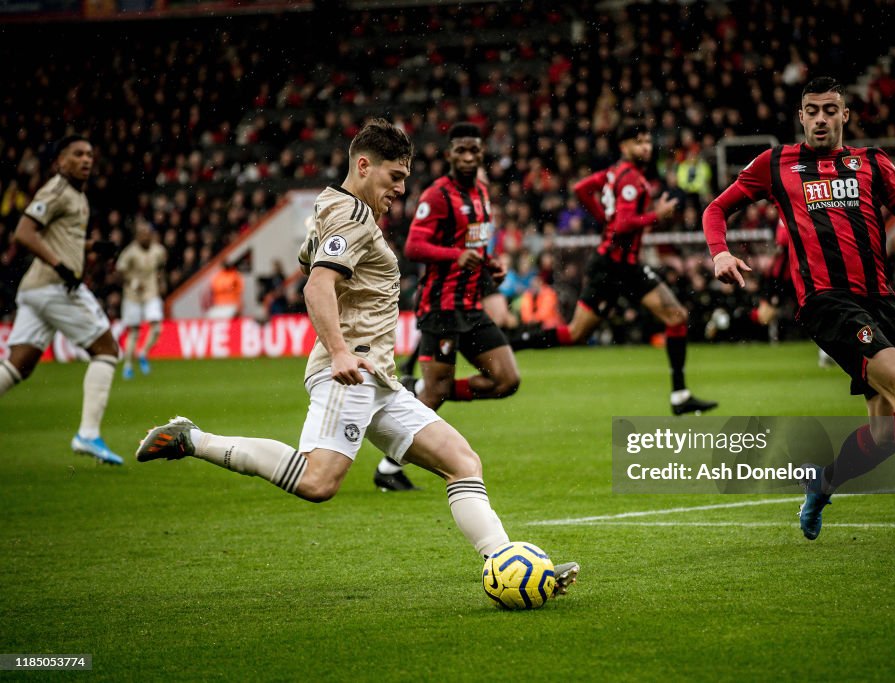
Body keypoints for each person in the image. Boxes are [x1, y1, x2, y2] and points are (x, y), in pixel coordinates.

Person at [135, 119, 579, 591]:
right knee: (317, 482)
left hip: (379, 378)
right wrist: (340, 351)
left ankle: (508, 565)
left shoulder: (343, 211)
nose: (402, 188)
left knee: (462, 461)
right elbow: (317, 284)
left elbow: (312, 260)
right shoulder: (349, 216)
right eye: (395, 176)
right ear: (363, 165)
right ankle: (191, 439)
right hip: (351, 372)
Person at [702, 76, 895, 553]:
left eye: (830, 109)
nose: (821, 118)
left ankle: (822, 484)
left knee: (884, 433)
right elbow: (716, 209)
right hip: (826, 303)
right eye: (812, 110)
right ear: (801, 117)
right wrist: (719, 252)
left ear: (845, 115)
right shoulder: (776, 164)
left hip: (880, 302)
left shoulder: (873, 163)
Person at [512, 122, 718, 416]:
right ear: (624, 147)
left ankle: (680, 395)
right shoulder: (631, 179)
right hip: (613, 266)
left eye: (647, 141)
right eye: (639, 142)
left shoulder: (614, 173)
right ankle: (511, 346)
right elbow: (622, 224)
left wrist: (603, 220)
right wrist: (654, 216)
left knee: (673, 316)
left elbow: (582, 189)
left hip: (621, 264)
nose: (646, 147)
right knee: (576, 334)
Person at [382, 123, 520, 492]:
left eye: (474, 150)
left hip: (471, 306)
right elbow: (414, 246)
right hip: (440, 306)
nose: (468, 156)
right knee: (436, 391)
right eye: (461, 150)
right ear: (449, 154)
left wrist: (489, 263)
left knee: (506, 380)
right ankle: (388, 465)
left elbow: (475, 243)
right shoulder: (437, 195)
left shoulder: (482, 194)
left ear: (481, 153)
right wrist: (456, 255)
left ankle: (418, 392)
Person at [0, 134, 123, 465]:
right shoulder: (55, 190)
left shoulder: (76, 196)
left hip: (36, 290)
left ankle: (88, 435)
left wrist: (92, 247)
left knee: (18, 365)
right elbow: (23, 233)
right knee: (107, 351)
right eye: (78, 154)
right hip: (54, 286)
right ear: (60, 161)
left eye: (90, 154)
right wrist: (60, 265)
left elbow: (62, 238)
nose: (86, 160)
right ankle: (88, 434)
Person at [116, 220, 167, 379]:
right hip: (132, 295)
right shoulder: (130, 252)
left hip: (151, 292)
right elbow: (119, 273)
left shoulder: (158, 251)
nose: (146, 237)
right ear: (137, 236)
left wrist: (161, 281)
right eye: (142, 234)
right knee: (134, 332)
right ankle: (128, 365)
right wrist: (132, 282)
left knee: (157, 328)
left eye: (148, 234)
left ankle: (143, 352)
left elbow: (161, 268)